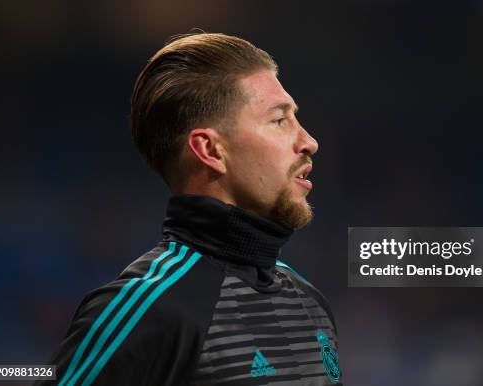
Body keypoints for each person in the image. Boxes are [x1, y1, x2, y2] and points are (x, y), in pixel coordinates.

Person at [39, 33, 342, 385]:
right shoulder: (150, 310)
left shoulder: (308, 301)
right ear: (211, 150)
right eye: (279, 120)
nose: (309, 141)